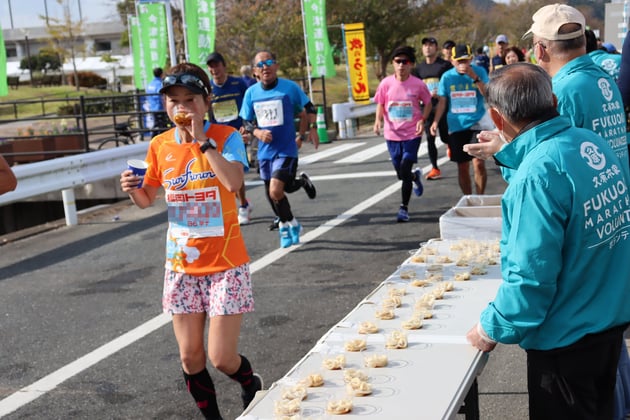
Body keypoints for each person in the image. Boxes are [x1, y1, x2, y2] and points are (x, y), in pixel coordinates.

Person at [465, 62, 630, 420]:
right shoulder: (591, 143)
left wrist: (489, 329)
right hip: (609, 320)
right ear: (553, 99)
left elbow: (530, 280)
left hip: (566, 341)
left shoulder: (535, 177)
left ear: (498, 119)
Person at [119, 62, 262, 420]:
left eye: (190, 100)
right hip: (182, 265)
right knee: (190, 356)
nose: (181, 108)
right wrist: (131, 190)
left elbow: (232, 183)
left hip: (226, 264)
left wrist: (203, 143)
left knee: (221, 357)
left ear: (206, 100)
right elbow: (147, 197)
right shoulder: (159, 145)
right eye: (174, 101)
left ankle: (250, 382)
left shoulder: (226, 136)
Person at [239, 50, 318, 247]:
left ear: (276, 66)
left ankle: (284, 227)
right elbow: (246, 120)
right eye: (260, 64)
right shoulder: (251, 93)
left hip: (286, 149)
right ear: (255, 72)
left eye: (269, 62)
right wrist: (256, 132)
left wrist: (311, 130)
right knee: (276, 193)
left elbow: (309, 107)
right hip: (265, 152)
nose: (265, 66)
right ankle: (290, 223)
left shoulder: (289, 88)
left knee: (275, 191)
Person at [373, 45, 432, 223]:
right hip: (392, 134)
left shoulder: (418, 84)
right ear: (393, 64)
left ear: (411, 64)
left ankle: (403, 208)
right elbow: (381, 103)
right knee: (401, 173)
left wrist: (422, 118)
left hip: (412, 133)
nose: (401, 65)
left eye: (405, 62)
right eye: (397, 61)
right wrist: (378, 121)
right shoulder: (386, 84)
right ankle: (415, 177)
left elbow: (428, 103)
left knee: (405, 167)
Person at [430, 44, 488, 195]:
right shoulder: (447, 77)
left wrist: (474, 77)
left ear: (471, 59)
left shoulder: (479, 71)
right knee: (462, 166)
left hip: (477, 123)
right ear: (452, 60)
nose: (463, 64)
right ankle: (468, 199)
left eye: (466, 60)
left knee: (479, 163)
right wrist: (435, 122)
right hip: (456, 125)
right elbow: (442, 102)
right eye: (459, 61)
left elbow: (488, 95)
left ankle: (480, 198)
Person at [206, 52, 253, 225]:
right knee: (222, 174)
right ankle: (244, 202)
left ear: (224, 66)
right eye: (211, 66)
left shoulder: (238, 83)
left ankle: (242, 206)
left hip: (237, 134)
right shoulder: (208, 88)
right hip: (217, 136)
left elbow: (248, 106)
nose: (214, 69)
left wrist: (248, 127)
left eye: (217, 65)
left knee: (235, 171)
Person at [415, 37, 453, 180]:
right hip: (426, 108)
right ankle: (435, 168)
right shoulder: (419, 69)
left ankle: (449, 144)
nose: (427, 48)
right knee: (430, 138)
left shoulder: (444, 66)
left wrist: (441, 91)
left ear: (436, 48)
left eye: (431, 45)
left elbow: (451, 82)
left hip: (442, 106)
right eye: (425, 45)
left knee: (443, 135)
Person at [144, 67, 167, 137]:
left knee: (157, 123)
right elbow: (162, 95)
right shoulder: (160, 84)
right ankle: (155, 138)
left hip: (152, 106)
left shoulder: (150, 84)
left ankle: (154, 137)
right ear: (161, 74)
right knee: (161, 124)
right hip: (159, 107)